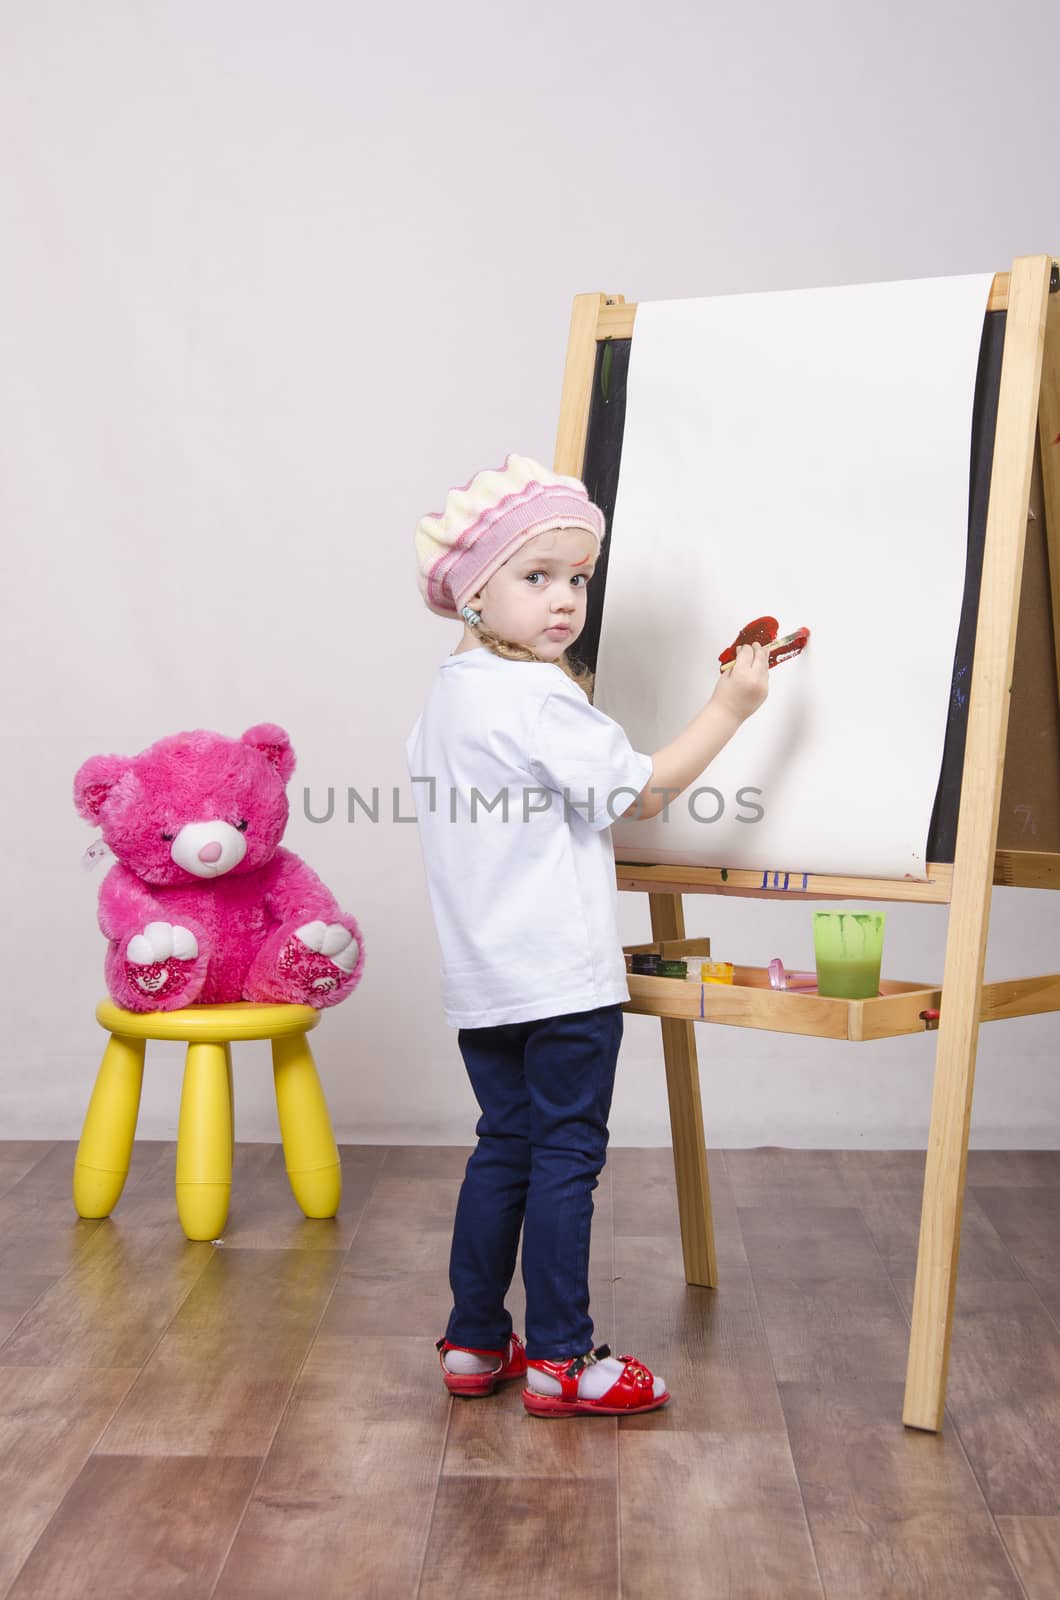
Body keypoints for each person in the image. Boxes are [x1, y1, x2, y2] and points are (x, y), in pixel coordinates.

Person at [406, 453, 768, 1416]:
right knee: (567, 1157)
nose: (565, 599)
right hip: (562, 983)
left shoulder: (453, 692)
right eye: (537, 578)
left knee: (505, 1148)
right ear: (473, 591)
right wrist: (731, 704)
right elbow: (641, 791)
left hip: (483, 983)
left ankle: (476, 1342)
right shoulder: (538, 698)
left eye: (578, 578)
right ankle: (566, 1358)